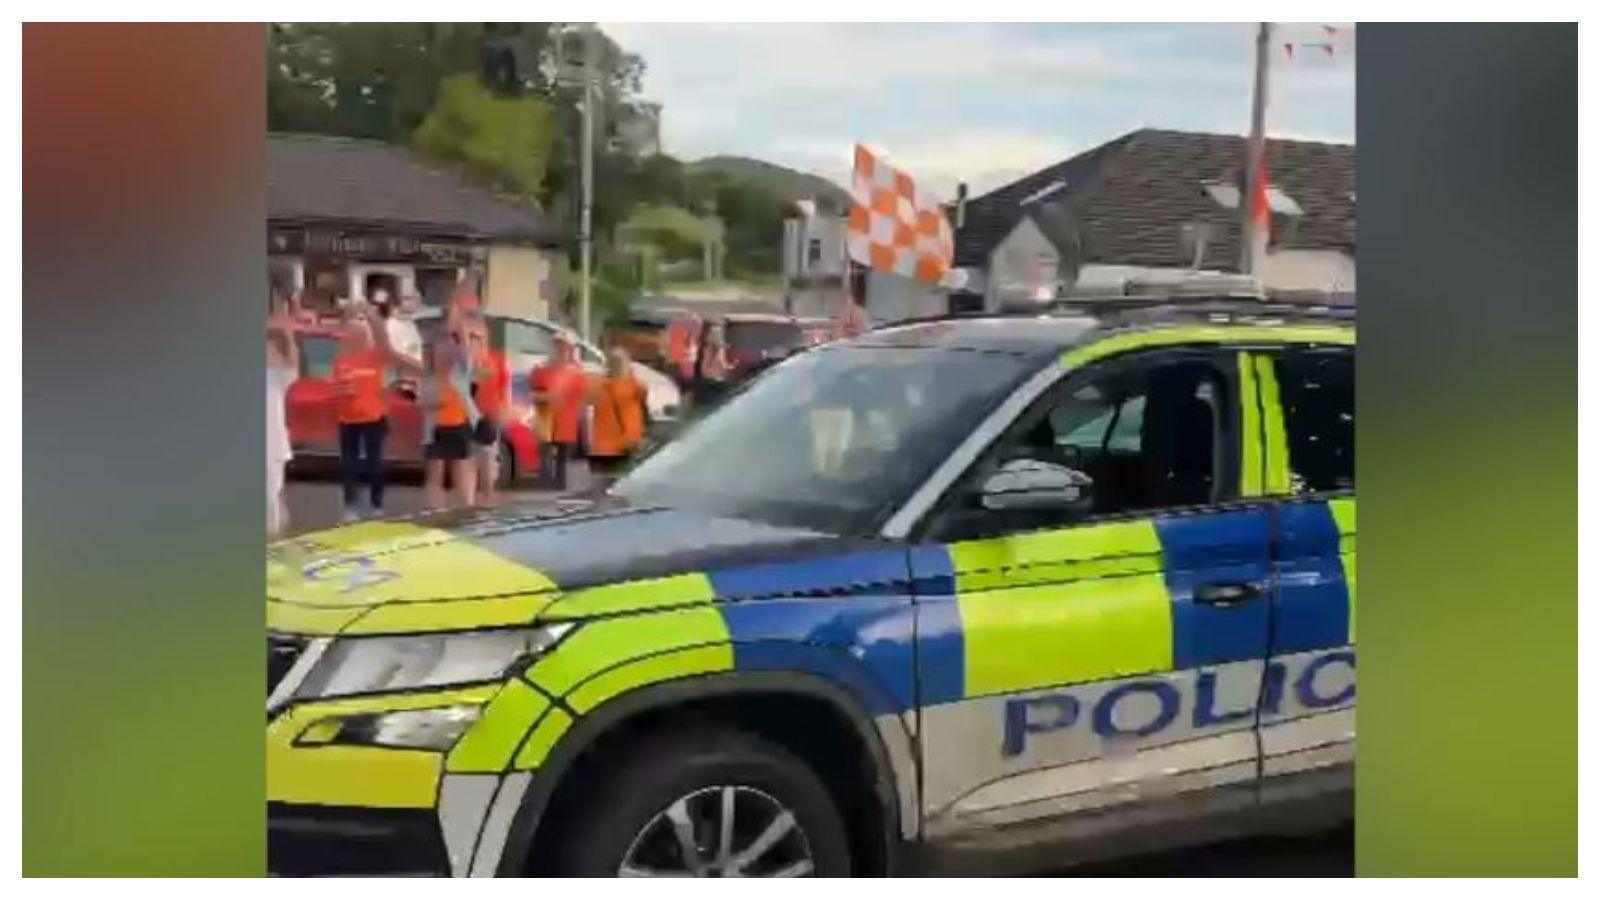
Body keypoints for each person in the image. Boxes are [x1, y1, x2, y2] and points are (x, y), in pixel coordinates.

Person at [331, 306, 391, 521]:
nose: (357, 337)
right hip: (347, 420)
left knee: (375, 463)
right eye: (353, 334)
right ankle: (350, 507)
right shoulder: (342, 360)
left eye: (362, 334)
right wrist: (348, 313)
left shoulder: (375, 357)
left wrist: (372, 314)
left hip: (374, 418)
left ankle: (377, 505)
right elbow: (337, 388)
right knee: (349, 465)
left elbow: (382, 337)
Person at [529, 332, 588, 490]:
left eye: (566, 347)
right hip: (545, 419)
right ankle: (545, 489)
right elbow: (532, 393)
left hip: (567, 422)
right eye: (558, 345)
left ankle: (560, 489)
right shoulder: (541, 370)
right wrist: (544, 397)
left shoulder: (577, 373)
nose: (562, 350)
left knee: (564, 460)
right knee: (545, 457)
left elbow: (581, 399)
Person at [465, 316, 510, 505]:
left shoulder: (497, 359)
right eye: (472, 336)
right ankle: (470, 500)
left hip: (488, 414)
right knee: (468, 458)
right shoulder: (464, 360)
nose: (476, 340)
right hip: (467, 414)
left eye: (480, 336)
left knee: (487, 457)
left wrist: (503, 409)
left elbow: (504, 386)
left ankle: (488, 497)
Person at [587, 346, 648, 481]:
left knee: (608, 488)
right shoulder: (632, 385)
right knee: (617, 488)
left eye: (619, 362)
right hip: (613, 447)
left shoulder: (632, 385)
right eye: (616, 362)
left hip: (617, 446)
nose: (618, 366)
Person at [266, 291, 299, 536]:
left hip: (271, 445)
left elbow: (291, 365)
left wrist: (287, 332)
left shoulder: (276, 374)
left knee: (273, 504)